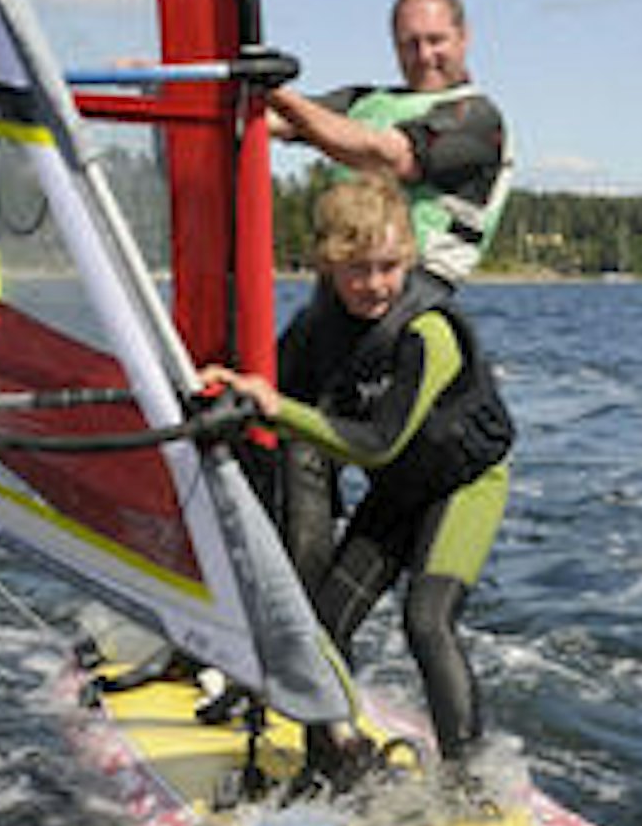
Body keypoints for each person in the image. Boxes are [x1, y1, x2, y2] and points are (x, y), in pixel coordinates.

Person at [202, 175, 513, 793]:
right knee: (326, 620)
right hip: (399, 491)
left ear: (409, 259)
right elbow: (269, 387)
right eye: (357, 271)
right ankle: (334, 757)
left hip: (461, 487)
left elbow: (377, 442)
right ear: (326, 265)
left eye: (389, 266)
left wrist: (274, 408)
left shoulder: (430, 331)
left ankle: (468, 786)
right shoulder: (319, 326)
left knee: (427, 620)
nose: (375, 284)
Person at [267, 0, 513, 290]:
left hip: (411, 298)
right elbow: (278, 120)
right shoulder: (364, 103)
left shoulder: (479, 120)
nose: (424, 56)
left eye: (436, 40)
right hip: (338, 295)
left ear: (463, 37)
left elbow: (385, 155)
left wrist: (272, 92)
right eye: (410, 44)